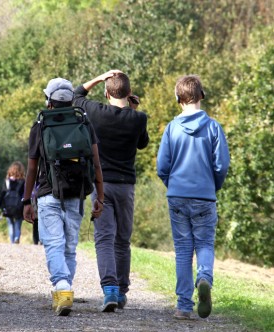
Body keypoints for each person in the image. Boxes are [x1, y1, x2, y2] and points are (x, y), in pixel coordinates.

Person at [22, 78, 104, 316]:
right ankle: (63, 293)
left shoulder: (40, 125)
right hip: (78, 193)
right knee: (69, 246)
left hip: (48, 193)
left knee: (53, 244)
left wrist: (27, 200)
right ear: (70, 99)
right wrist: (100, 195)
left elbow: (31, 169)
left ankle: (62, 286)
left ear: (49, 100)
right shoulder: (84, 122)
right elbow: (96, 164)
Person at [73, 70, 149, 312]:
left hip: (101, 185)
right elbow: (142, 143)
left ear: (106, 93)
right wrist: (133, 111)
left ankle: (110, 290)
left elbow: (76, 96)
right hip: (126, 185)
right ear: (129, 94)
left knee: (104, 238)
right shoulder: (138, 118)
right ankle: (123, 290)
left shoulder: (96, 112)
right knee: (122, 240)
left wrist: (98, 77)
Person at [156, 75, 230, 320]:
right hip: (204, 197)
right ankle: (204, 279)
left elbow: (162, 167)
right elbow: (221, 165)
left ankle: (184, 306)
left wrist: (174, 185)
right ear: (202, 96)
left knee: (183, 250)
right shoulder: (213, 127)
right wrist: (211, 187)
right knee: (205, 244)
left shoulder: (171, 128)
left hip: (177, 195)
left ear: (178, 99)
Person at [0, 161, 25, 244]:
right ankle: (17, 237)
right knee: (18, 223)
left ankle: (12, 242)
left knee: (10, 224)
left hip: (7, 206)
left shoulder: (7, 181)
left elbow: (2, 195)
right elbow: (24, 195)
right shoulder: (23, 181)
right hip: (19, 206)